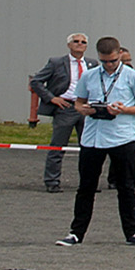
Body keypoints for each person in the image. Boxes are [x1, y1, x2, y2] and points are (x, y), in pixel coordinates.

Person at [58, 36, 135, 248]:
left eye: (112, 61)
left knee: (125, 186)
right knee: (86, 186)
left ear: (119, 54)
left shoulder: (133, 76)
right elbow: (79, 102)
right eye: (104, 61)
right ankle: (76, 232)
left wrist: (124, 109)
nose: (108, 65)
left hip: (122, 136)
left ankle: (133, 232)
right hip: (93, 136)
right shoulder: (89, 76)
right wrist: (83, 109)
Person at [30, 33, 91, 192]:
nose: (79, 44)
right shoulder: (56, 62)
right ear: (69, 45)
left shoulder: (92, 64)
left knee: (89, 148)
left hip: (85, 108)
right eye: (76, 41)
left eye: (83, 42)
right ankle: (52, 181)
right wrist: (51, 98)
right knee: (57, 146)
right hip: (65, 108)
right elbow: (36, 81)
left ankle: (88, 182)